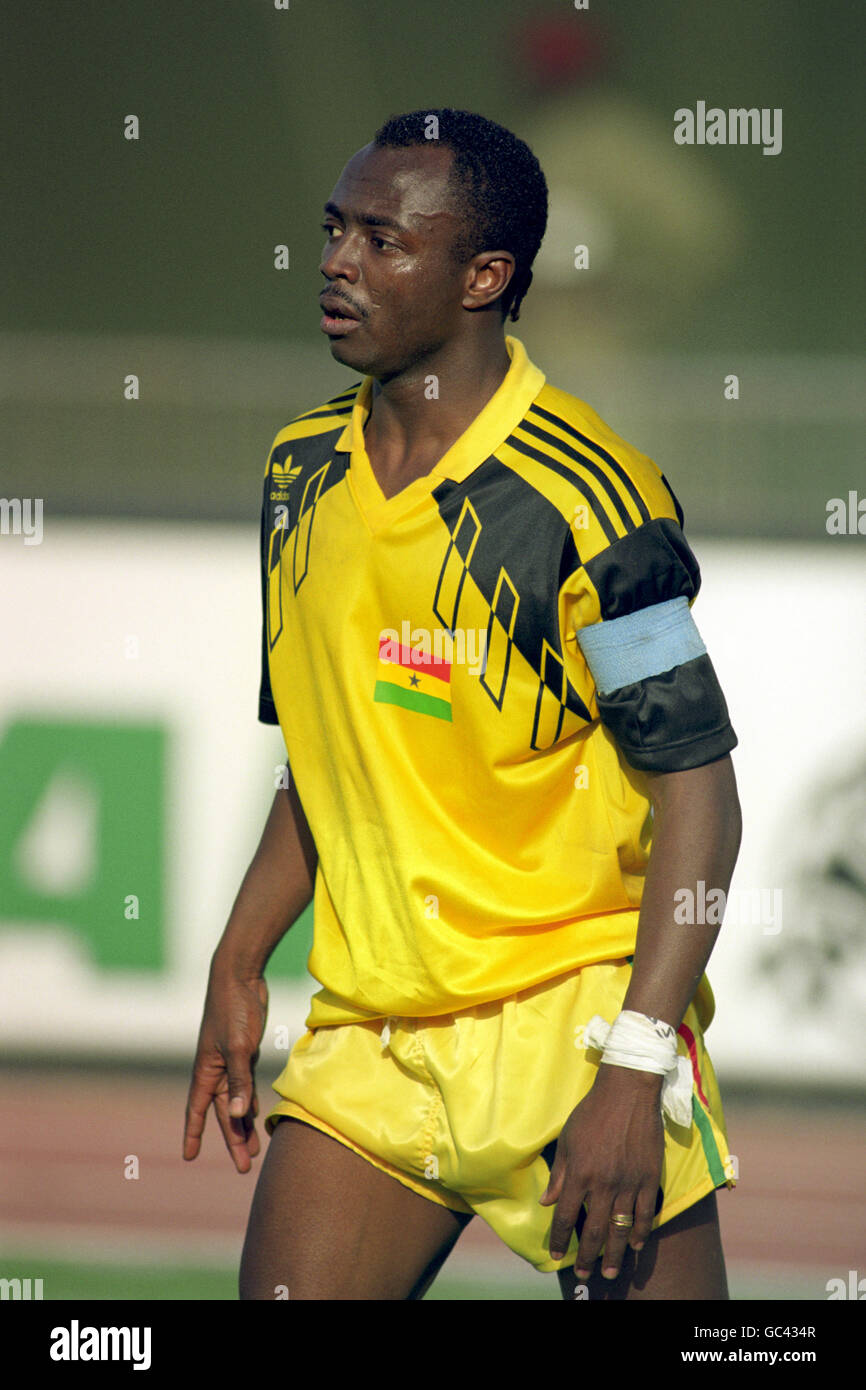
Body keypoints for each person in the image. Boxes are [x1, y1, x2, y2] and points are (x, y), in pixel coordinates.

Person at [183, 108, 742, 1302]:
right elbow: (329, 761)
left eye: (382, 241)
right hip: (374, 1035)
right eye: (334, 231)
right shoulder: (298, 473)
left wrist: (634, 1070)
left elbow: (701, 804)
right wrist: (240, 955)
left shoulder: (590, 495)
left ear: (484, 275)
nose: (336, 262)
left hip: (580, 1024)